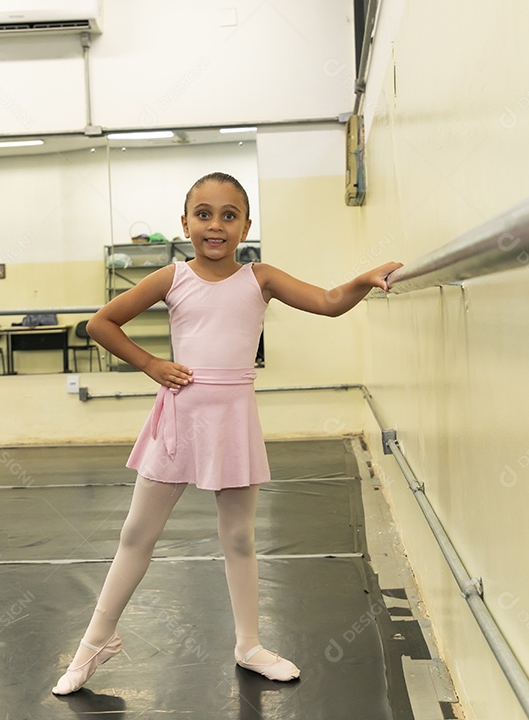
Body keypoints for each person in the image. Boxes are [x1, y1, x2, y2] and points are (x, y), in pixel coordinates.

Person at [52, 171, 402, 695]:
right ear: (186, 222)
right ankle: (95, 641)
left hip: (233, 416)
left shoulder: (260, 278)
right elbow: (101, 324)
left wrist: (361, 280)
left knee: (239, 537)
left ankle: (248, 645)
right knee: (136, 534)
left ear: (245, 225)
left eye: (229, 215)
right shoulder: (171, 278)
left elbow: (328, 301)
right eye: (204, 214)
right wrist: (151, 364)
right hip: (180, 413)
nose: (215, 225)